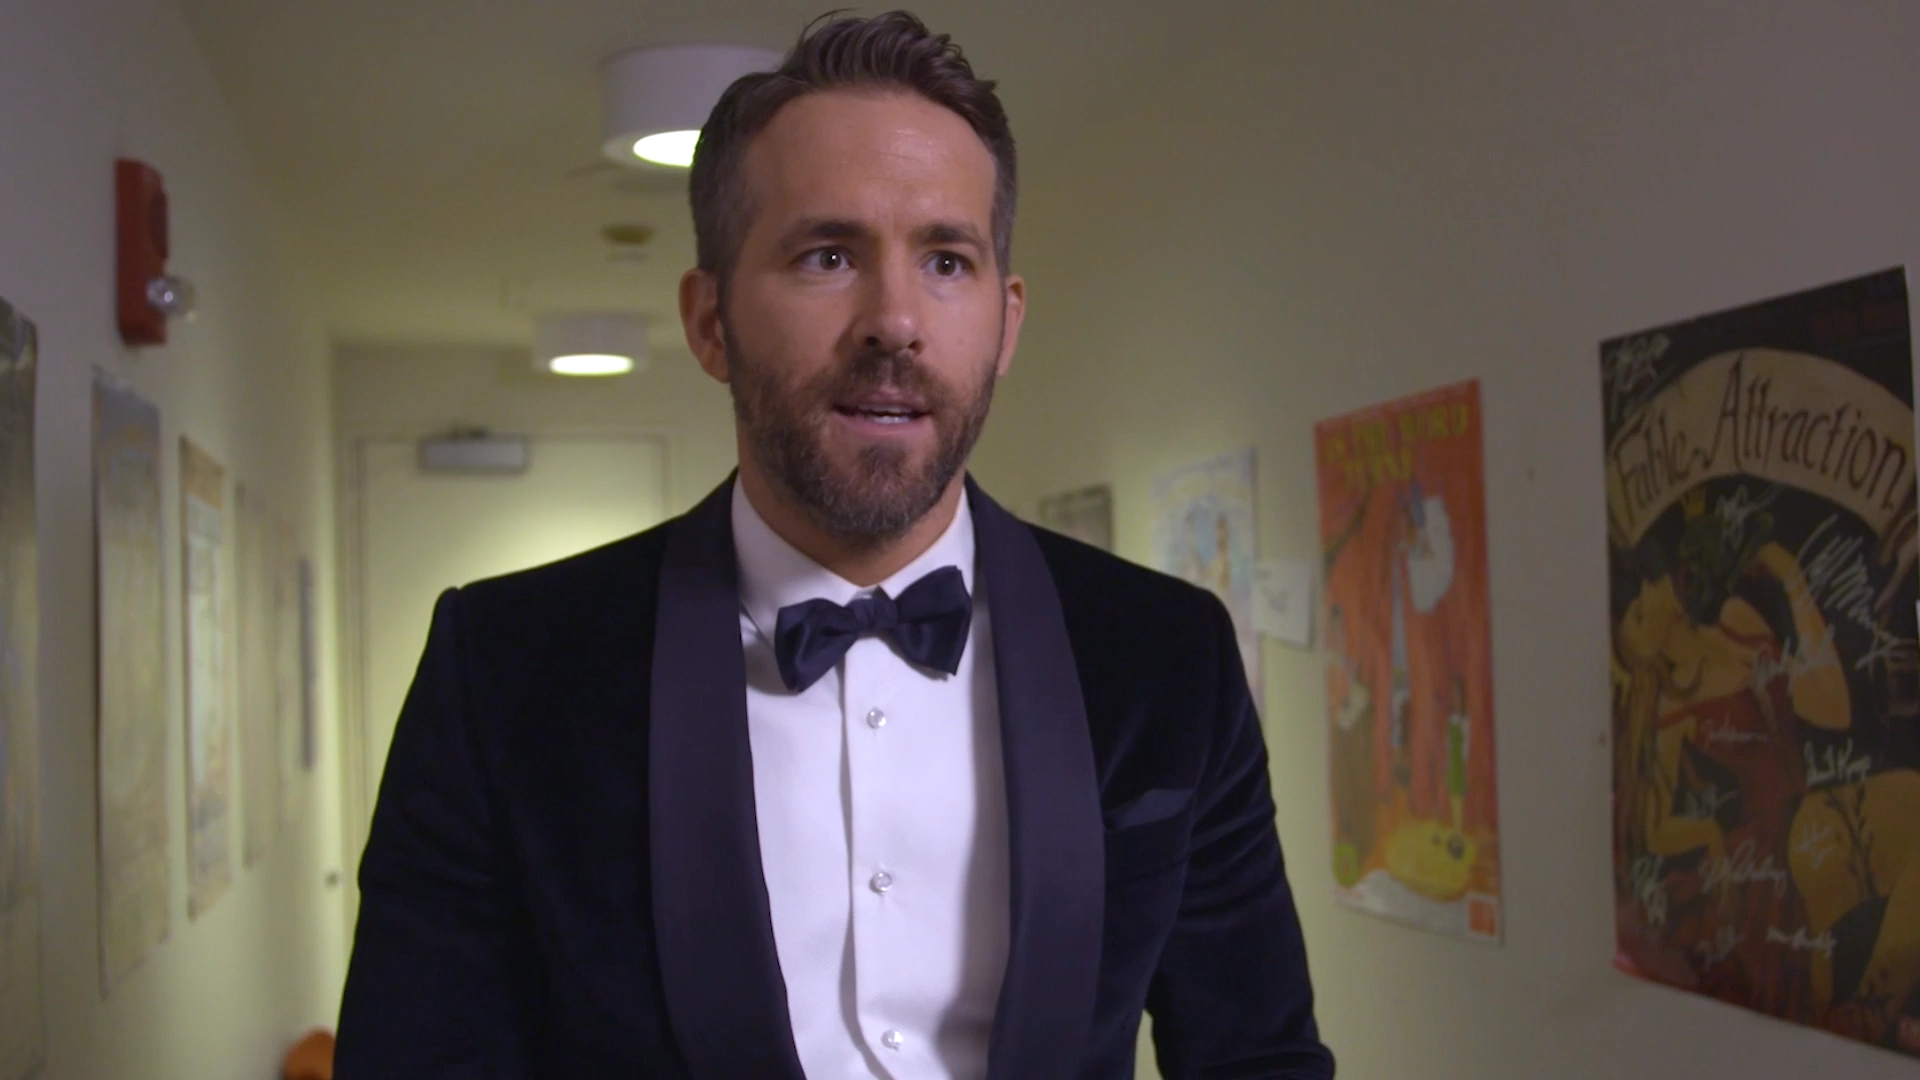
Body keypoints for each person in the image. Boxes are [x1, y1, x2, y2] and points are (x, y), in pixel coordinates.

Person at [333, 10, 1332, 1079]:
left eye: (946, 260)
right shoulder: (501, 666)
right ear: (710, 321)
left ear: (1006, 322)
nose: (894, 320)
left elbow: (1256, 1059)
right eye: (827, 255)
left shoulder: (1168, 654)